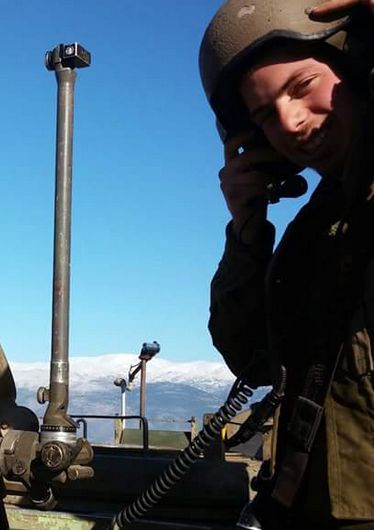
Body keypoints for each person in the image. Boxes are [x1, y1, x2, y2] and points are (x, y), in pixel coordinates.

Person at [199, 0, 374, 528]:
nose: (290, 123)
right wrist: (248, 235)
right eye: (264, 116)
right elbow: (253, 359)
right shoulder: (311, 235)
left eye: (302, 86)